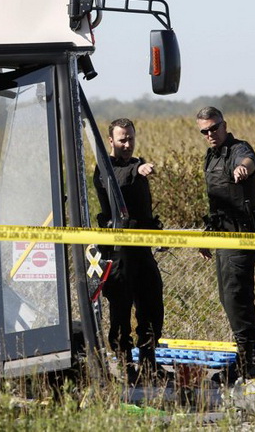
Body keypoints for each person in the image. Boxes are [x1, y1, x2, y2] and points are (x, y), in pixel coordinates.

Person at [195, 106, 255, 380]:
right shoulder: (211, 157)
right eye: (204, 131)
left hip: (241, 235)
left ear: (224, 125)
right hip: (222, 236)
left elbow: (248, 161)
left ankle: (251, 359)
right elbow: (215, 203)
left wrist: (243, 169)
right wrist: (207, 235)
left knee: (236, 297)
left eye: (214, 128)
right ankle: (253, 357)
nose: (210, 134)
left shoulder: (238, 149)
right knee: (230, 298)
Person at [93, 118, 165, 383]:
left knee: (152, 304)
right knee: (121, 310)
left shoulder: (136, 165)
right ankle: (125, 365)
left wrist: (157, 234)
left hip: (141, 248)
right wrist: (138, 169)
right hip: (118, 250)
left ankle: (149, 362)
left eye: (130, 138)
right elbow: (118, 182)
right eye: (122, 139)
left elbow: (142, 209)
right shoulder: (104, 168)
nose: (127, 144)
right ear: (111, 141)